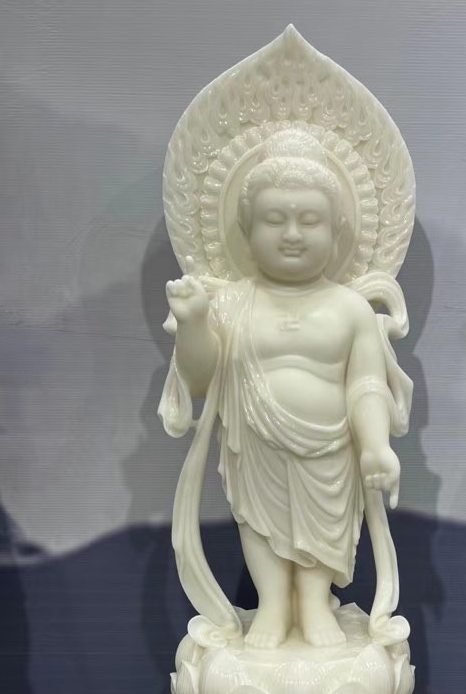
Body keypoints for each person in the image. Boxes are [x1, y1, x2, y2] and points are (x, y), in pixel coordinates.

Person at [163, 129, 404, 648]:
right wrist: (193, 324)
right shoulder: (230, 304)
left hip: (331, 448)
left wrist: (376, 444)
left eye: (310, 220)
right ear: (246, 229)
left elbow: (366, 383)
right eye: (274, 220)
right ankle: (273, 604)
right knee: (259, 524)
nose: (292, 234)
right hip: (254, 442)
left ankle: (314, 604)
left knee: (324, 527)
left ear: (337, 231)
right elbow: (201, 380)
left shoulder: (350, 309)